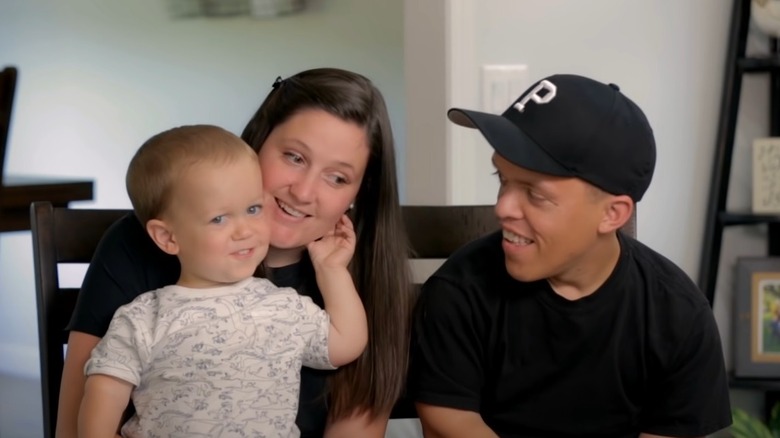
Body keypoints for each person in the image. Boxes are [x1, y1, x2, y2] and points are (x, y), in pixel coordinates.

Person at [59, 68, 413, 438]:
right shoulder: (140, 262)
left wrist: (332, 274)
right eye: (294, 157)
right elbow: (79, 423)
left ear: (359, 193)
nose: (304, 192)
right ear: (257, 144)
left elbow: (346, 348)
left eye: (337, 177)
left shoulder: (344, 290)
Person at [408, 74, 732, 437]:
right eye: (502, 178)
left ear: (612, 214)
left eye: (535, 194)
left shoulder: (678, 317)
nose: (502, 208)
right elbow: (447, 420)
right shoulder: (460, 290)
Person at [79, 125, 368, 437]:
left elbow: (347, 342)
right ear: (167, 237)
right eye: (219, 218)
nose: (244, 230)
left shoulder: (284, 306)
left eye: (253, 209)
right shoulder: (144, 319)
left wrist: (332, 269)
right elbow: (105, 393)